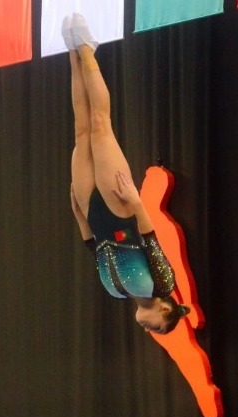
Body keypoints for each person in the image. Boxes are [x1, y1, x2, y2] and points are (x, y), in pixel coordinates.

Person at [63, 13, 187, 334]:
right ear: (166, 309)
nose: (148, 329)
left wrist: (79, 217)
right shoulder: (163, 284)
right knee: (100, 126)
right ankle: (88, 50)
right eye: (157, 327)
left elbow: (94, 249)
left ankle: (73, 55)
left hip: (92, 213)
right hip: (120, 207)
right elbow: (151, 240)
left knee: (81, 131)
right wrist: (136, 202)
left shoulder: (119, 293)